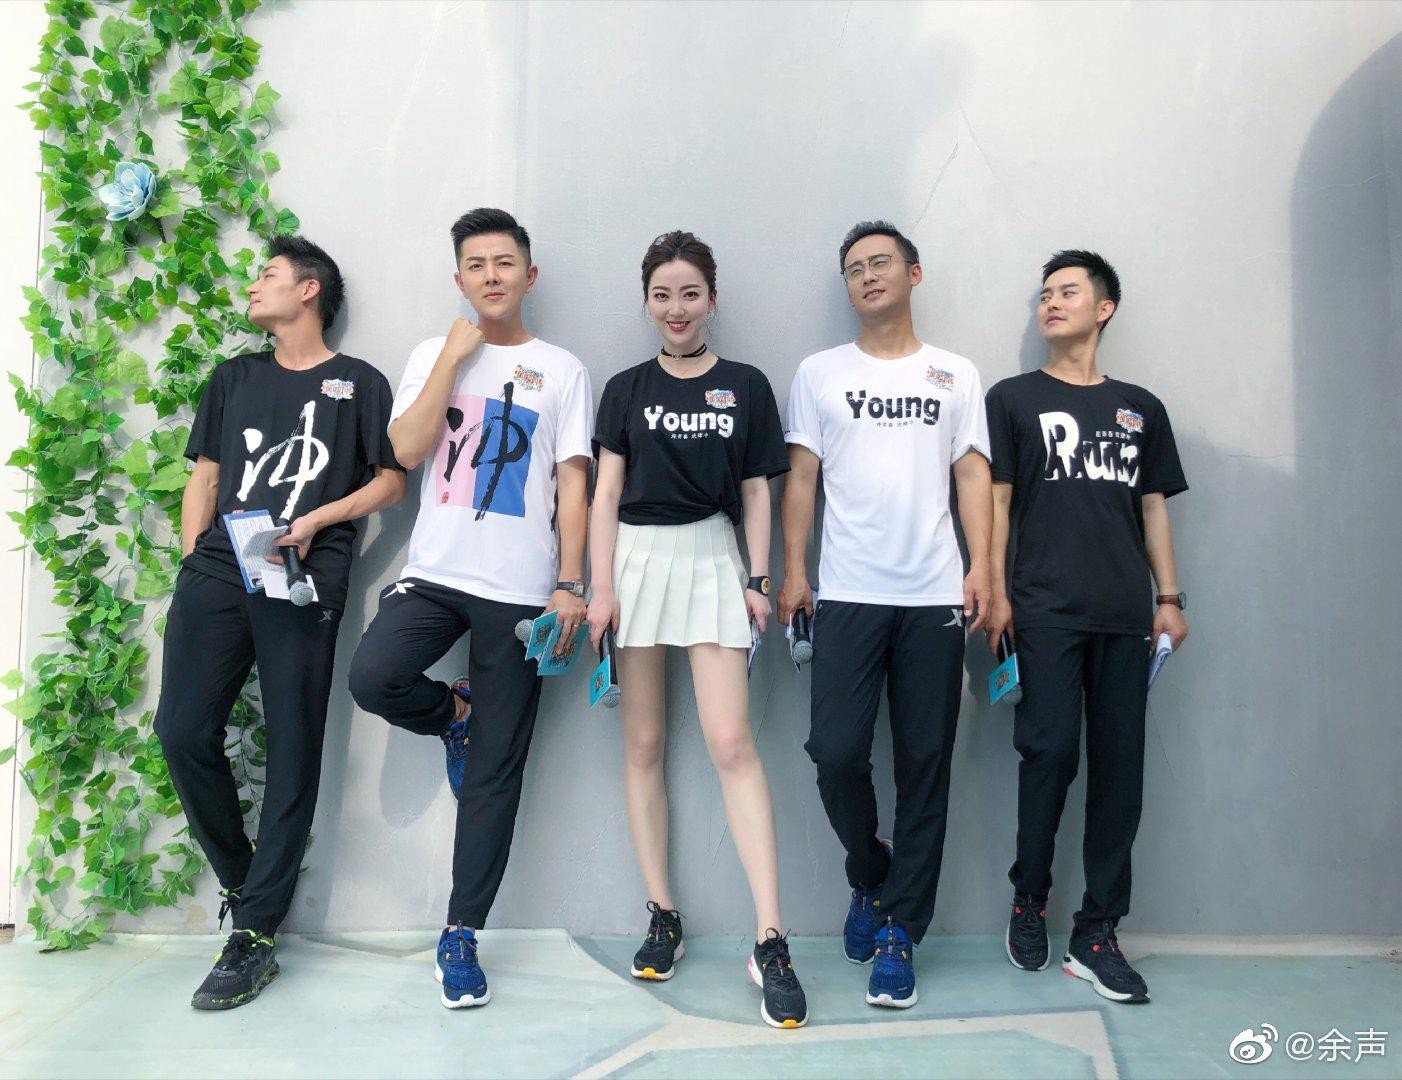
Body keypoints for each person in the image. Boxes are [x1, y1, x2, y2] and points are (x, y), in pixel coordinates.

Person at [348, 208, 593, 1010]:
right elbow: (407, 451)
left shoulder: (562, 369)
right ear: (459, 279)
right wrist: (455, 359)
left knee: (496, 771)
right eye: (477, 264)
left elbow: (573, 484)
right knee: (374, 676)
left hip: (521, 592)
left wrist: (571, 583)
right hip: (436, 574)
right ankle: (454, 713)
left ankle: (461, 933)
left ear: (530, 274)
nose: (492, 275)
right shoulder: (434, 353)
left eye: (505, 262)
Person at [155, 236, 406, 1010]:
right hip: (221, 567)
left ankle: (256, 935)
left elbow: (391, 481)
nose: (253, 286)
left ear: (309, 290)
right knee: (181, 730)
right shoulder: (234, 377)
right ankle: (245, 883)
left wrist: (322, 518)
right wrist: (194, 559)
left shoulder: (359, 382)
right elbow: (206, 476)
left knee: (294, 744)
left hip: (305, 573)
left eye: (267, 274)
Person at [586, 231, 807, 1030]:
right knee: (644, 743)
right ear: (646, 301)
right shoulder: (625, 387)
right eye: (662, 294)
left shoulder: (745, 386)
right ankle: (663, 916)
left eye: (689, 293)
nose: (676, 309)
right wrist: (600, 587)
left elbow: (756, 493)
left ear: (712, 299)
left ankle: (771, 939)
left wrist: (759, 579)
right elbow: (604, 494)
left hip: (714, 559)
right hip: (634, 562)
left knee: (731, 744)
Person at [778, 220, 992, 1009]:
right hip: (847, 593)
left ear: (913, 273)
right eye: (855, 269)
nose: (868, 276)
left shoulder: (955, 373)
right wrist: (794, 571)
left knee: (925, 765)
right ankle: (870, 873)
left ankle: (901, 931)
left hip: (935, 594)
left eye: (881, 263)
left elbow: (972, 476)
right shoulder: (820, 373)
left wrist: (983, 567)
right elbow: (802, 479)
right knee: (835, 752)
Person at [985, 249, 1188, 1005]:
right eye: (1044, 293)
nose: (1051, 302)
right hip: (1042, 610)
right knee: (1048, 755)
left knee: (1120, 770)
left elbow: (1153, 506)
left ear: (1104, 309)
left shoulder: (1141, 407)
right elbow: (997, 502)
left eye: (1067, 291)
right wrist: (996, 590)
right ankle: (1028, 899)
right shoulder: (1012, 398)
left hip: (1124, 614)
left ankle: (1097, 931)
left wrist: (1170, 597)